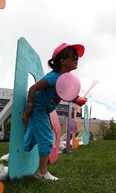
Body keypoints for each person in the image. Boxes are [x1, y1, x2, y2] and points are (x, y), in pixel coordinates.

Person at [22, 43, 87, 180]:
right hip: (38, 109)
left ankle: (17, 155)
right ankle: (42, 172)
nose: (77, 59)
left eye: (77, 57)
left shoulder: (66, 80)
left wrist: (78, 100)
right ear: (63, 61)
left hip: (45, 111)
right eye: (74, 57)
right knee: (47, 138)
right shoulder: (53, 77)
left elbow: (68, 95)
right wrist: (28, 111)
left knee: (29, 142)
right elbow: (33, 89)